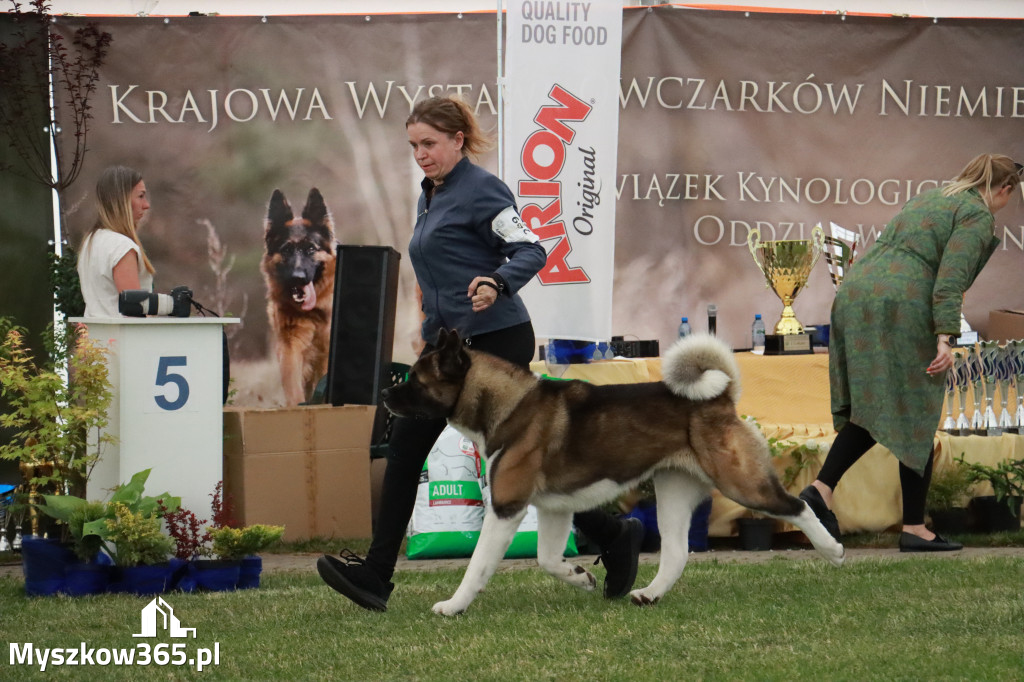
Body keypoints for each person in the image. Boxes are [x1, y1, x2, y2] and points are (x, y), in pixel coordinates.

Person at [317, 96, 643, 611]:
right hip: (449, 348)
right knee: (404, 450)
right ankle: (377, 575)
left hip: (496, 341)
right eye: (413, 146)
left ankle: (611, 532)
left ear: (457, 141)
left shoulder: (482, 190)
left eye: (429, 144)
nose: (420, 155)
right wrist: (430, 334)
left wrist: (497, 281)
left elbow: (532, 248)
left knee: (516, 461)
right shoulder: (432, 194)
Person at [800, 153, 1022, 552]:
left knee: (880, 404)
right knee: (916, 408)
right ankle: (912, 526)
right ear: (1004, 189)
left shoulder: (931, 197)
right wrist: (945, 338)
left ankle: (824, 492)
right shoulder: (975, 214)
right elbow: (950, 280)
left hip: (858, 293)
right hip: (901, 305)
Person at [76, 166, 154, 317]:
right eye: (140, 196)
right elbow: (135, 311)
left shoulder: (91, 241)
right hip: (125, 339)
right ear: (122, 200)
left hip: (95, 338)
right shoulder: (121, 247)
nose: (146, 205)